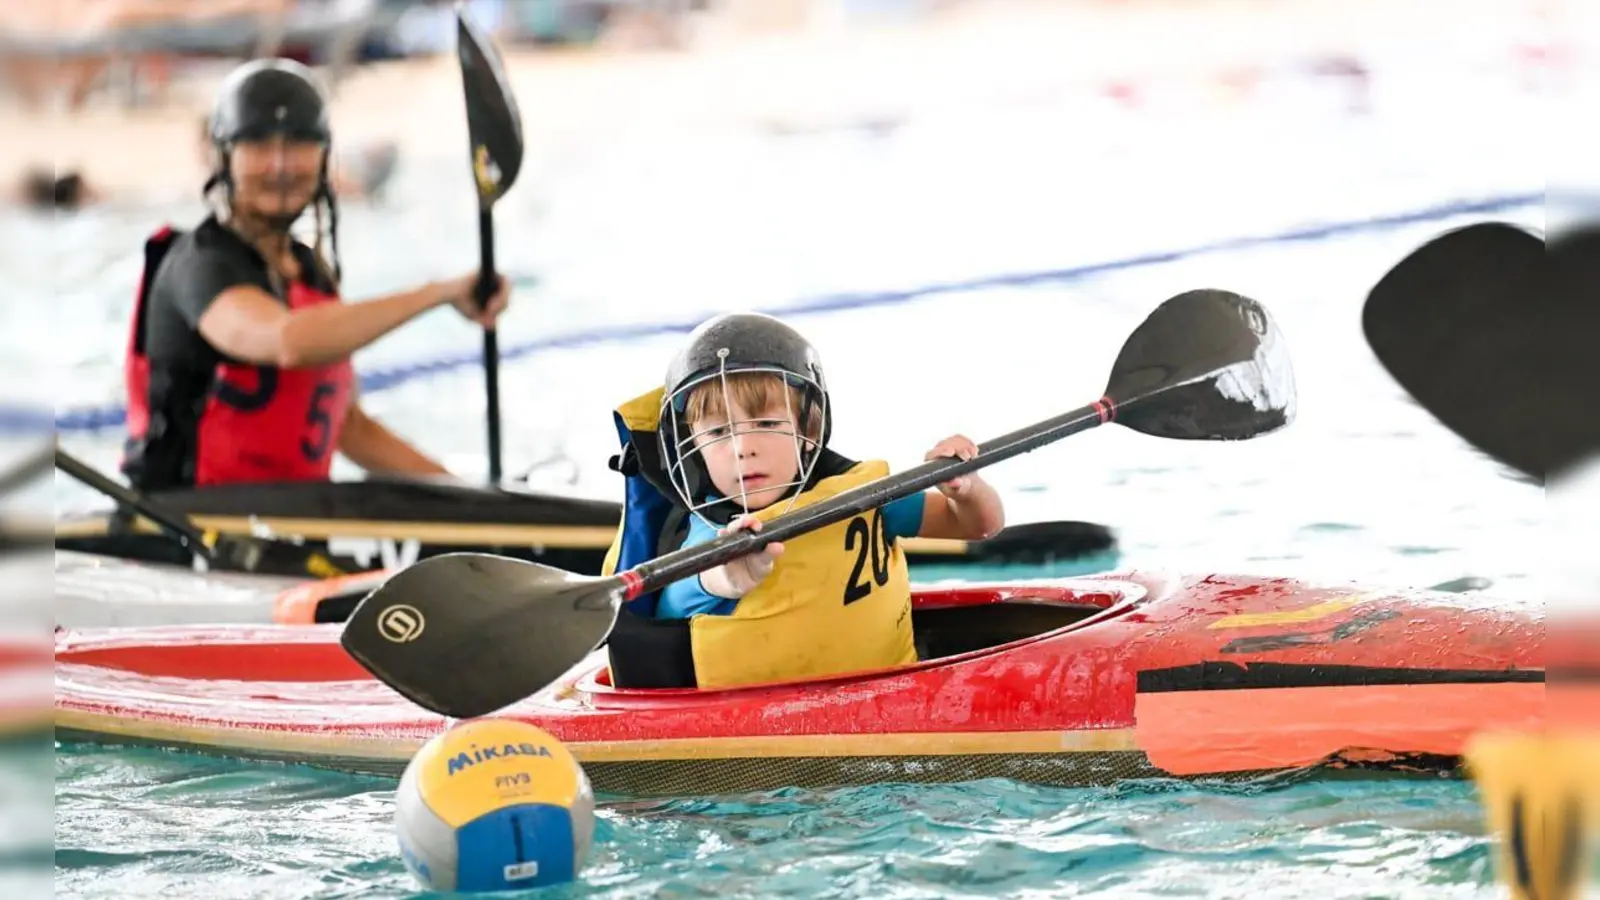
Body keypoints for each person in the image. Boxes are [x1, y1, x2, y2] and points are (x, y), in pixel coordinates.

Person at [121, 57, 509, 492]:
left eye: (299, 143)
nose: (281, 165)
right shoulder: (198, 264)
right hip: (181, 536)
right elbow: (287, 342)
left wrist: (475, 500)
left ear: (325, 155)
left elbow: (350, 430)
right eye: (259, 144)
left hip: (289, 538)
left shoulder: (312, 276)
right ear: (224, 157)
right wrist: (438, 293)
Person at [600, 311, 1006, 690]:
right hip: (768, 740)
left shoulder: (859, 496)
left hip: (895, 691)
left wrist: (966, 489)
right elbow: (679, 602)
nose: (744, 447)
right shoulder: (704, 541)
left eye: (767, 424)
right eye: (719, 433)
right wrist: (729, 576)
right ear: (691, 448)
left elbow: (979, 526)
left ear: (808, 429)